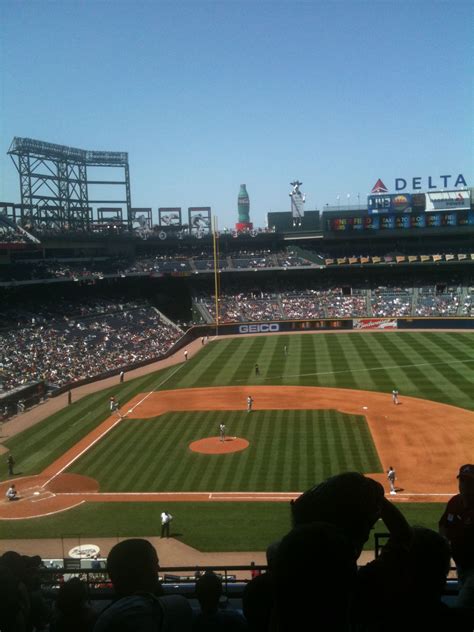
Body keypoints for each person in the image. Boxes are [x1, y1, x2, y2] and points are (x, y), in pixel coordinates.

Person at [93, 538, 192, 631]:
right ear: (144, 572)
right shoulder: (179, 606)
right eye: (154, 563)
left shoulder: (102, 619)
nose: (158, 567)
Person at [439, 463, 474, 608]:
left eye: (469, 482)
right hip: (461, 566)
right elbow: (443, 525)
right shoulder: (454, 502)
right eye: (462, 481)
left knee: (460, 608)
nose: (465, 485)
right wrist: (444, 545)